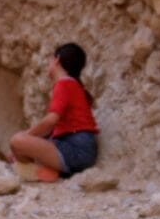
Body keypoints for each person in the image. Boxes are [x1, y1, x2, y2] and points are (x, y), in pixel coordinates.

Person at [9, 43, 98, 182]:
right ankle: (48, 171)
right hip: (82, 150)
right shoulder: (73, 85)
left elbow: (51, 121)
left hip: (77, 150)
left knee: (17, 141)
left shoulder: (64, 84)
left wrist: (26, 136)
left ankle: (38, 173)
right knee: (22, 144)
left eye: (50, 59)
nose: (48, 63)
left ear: (56, 60)